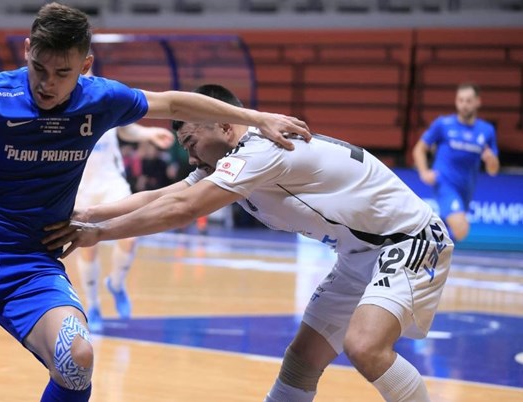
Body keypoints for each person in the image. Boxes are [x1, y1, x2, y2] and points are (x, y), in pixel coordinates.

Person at [0, 4, 311, 402]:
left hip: (32, 264)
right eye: (39, 69)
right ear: (27, 53)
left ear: (85, 66)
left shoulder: (101, 99)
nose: (47, 83)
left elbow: (174, 101)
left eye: (62, 73)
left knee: (76, 357)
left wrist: (254, 117)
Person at [44, 84, 453, 402]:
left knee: (364, 346)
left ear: (223, 126)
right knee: (300, 362)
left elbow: (183, 208)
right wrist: (87, 215)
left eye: (190, 144)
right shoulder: (230, 156)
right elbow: (163, 196)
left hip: (407, 236)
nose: (190, 159)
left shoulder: (260, 152)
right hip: (357, 254)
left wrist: (97, 235)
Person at [75, 122, 174, 332]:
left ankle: (116, 283)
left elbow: (124, 127)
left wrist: (148, 132)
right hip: (79, 187)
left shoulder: (106, 93)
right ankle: (93, 307)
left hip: (112, 181)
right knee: (87, 248)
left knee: (130, 237)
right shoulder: (59, 104)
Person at [412, 82, 500, 242]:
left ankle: (427, 240)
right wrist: (424, 172)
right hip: (444, 183)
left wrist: (491, 159)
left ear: (478, 102)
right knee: (461, 228)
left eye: (468, 100)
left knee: (452, 231)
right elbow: (419, 149)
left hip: (466, 188)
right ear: (456, 101)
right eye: (460, 100)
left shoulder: (487, 130)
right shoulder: (443, 124)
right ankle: (427, 242)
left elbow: (493, 170)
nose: (464, 105)